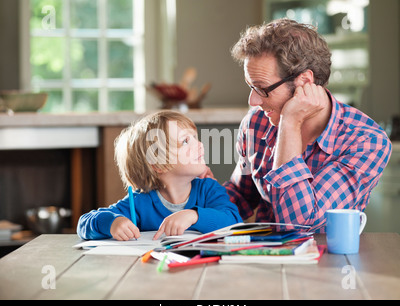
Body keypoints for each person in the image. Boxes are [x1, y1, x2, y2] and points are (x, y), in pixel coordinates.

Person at [222, 18, 392, 232]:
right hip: (264, 257)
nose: (253, 101)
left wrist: (290, 124)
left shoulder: (366, 141)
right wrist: (194, 206)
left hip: (328, 262)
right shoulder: (256, 123)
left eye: (262, 89)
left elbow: (300, 223)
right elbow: (240, 195)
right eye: (250, 86)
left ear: (304, 82)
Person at [77, 110, 242, 241]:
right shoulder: (140, 202)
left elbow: (235, 223)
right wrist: (112, 223)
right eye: (185, 141)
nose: (199, 144)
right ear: (158, 164)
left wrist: (194, 215)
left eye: (195, 138)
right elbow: (84, 223)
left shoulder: (209, 189)